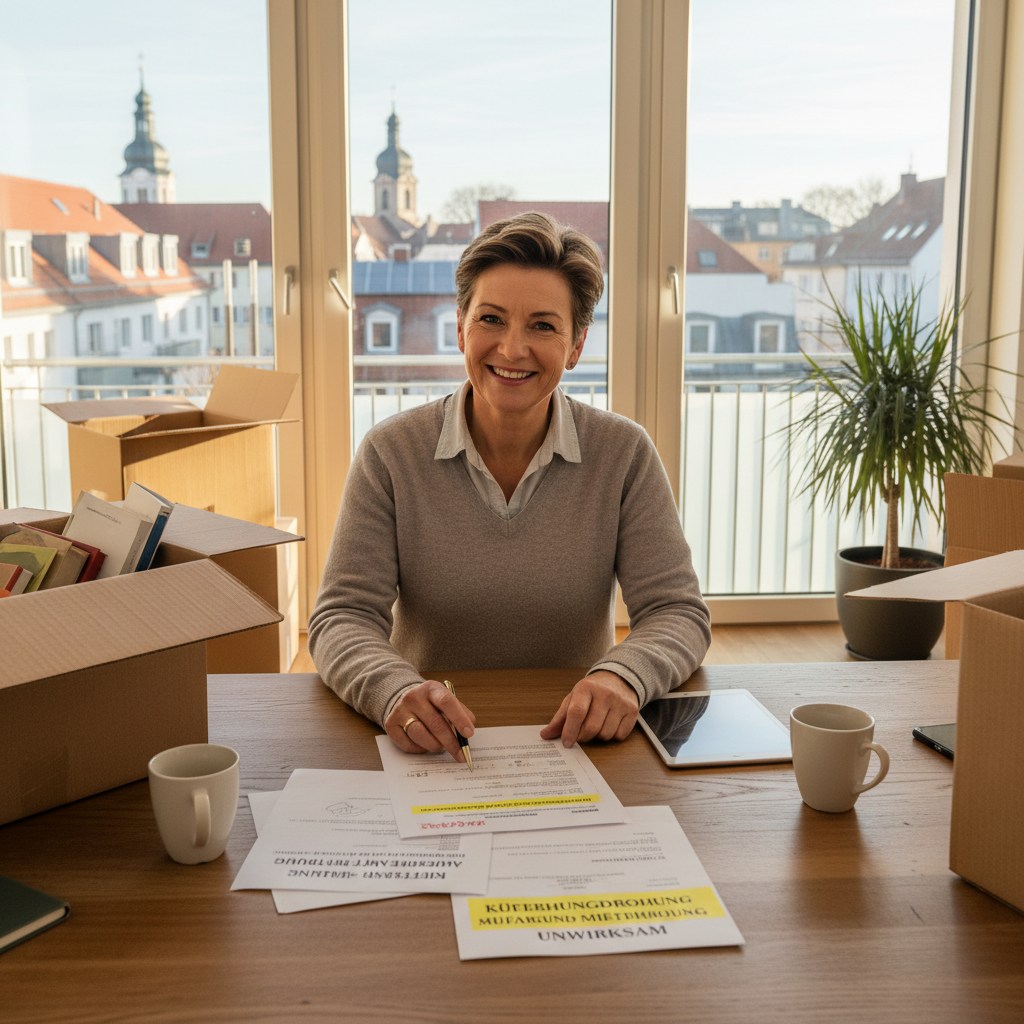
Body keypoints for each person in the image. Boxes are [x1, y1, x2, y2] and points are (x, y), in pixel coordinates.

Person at [308, 211, 710, 763]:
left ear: (576, 346)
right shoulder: (389, 452)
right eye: (491, 319)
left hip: (578, 743)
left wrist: (623, 676)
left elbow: (677, 611)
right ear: (460, 329)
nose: (512, 348)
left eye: (542, 326)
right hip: (431, 746)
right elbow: (342, 616)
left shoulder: (624, 453)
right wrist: (393, 689)